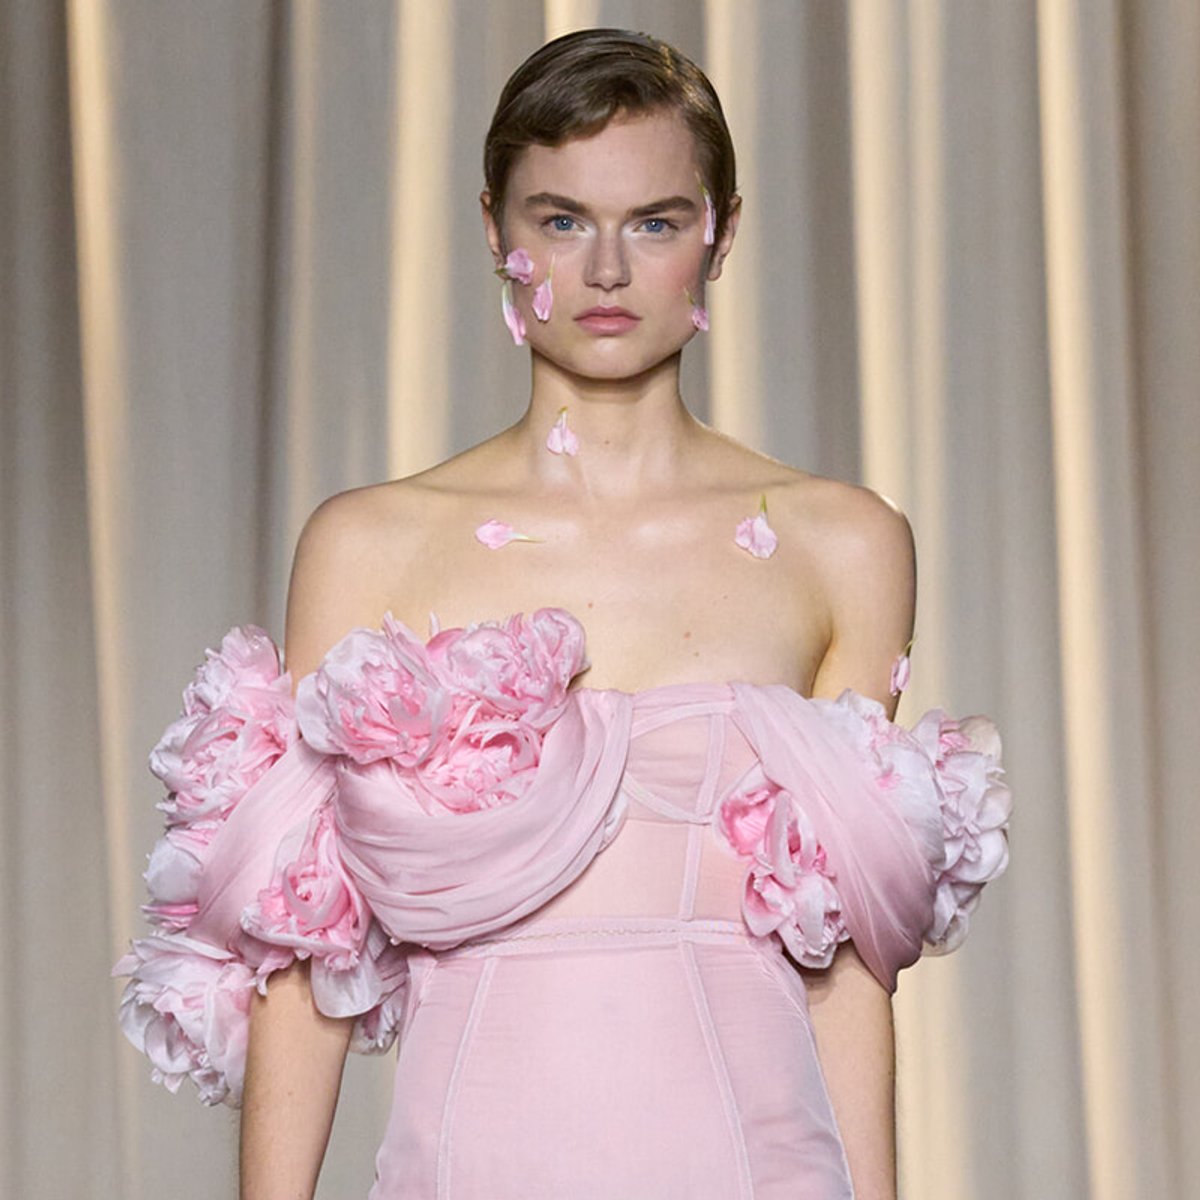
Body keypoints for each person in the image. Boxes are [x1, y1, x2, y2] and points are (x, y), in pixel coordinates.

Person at [113, 28, 1011, 1200]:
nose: (604, 271)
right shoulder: (372, 544)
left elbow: (842, 957)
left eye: (654, 222)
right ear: (494, 229)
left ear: (720, 234)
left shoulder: (842, 546)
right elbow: (303, 943)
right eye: (560, 219)